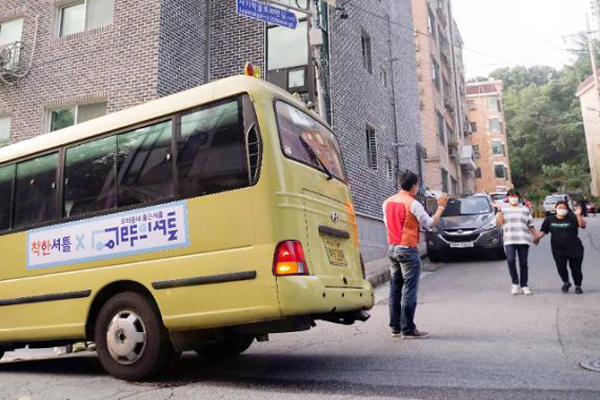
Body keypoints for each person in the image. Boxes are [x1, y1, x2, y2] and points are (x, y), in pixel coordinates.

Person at [383, 171, 449, 339]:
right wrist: (440, 207)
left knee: (395, 289)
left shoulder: (387, 202)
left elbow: (386, 223)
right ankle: (408, 329)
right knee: (409, 290)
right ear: (414, 186)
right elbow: (429, 223)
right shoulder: (413, 203)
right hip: (407, 248)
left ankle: (395, 327)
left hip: (392, 248)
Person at [537, 201, 586, 294]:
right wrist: (537, 238)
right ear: (555, 209)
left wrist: (578, 215)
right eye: (559, 207)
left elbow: (582, 225)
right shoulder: (549, 219)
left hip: (574, 247)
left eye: (563, 208)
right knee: (561, 267)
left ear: (567, 210)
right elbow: (543, 230)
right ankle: (566, 282)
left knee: (576, 268)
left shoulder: (572, 217)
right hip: (558, 249)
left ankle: (578, 285)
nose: (561, 209)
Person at [496, 189, 538, 296]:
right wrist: (500, 210)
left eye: (515, 196)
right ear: (507, 197)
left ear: (518, 197)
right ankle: (515, 283)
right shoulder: (504, 209)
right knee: (511, 260)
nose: (513, 198)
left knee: (523, 263)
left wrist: (536, 236)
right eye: (511, 196)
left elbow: (530, 224)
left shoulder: (524, 209)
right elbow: (500, 223)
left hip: (523, 239)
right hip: (509, 239)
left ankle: (524, 285)